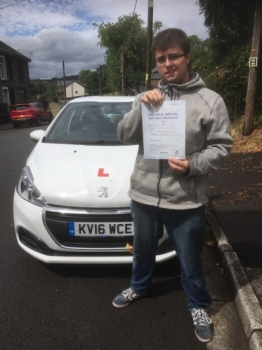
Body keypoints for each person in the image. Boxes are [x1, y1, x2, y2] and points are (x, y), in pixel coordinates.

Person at [112, 28, 233, 343]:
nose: (167, 64)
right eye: (160, 59)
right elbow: (123, 135)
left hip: (185, 199)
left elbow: (221, 146)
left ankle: (198, 304)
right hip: (143, 195)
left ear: (187, 57)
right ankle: (139, 286)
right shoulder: (146, 97)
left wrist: (193, 165)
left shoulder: (210, 101)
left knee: (191, 258)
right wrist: (141, 105)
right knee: (142, 250)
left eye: (173, 56)